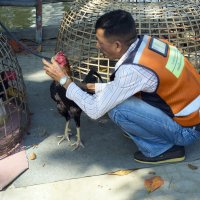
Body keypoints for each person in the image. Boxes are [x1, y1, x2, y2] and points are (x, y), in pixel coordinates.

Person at [43, 9, 200, 164]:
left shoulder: (131, 70)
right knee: (115, 97)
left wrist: (64, 81)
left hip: (186, 132)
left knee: (116, 108)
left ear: (117, 45)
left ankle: (161, 149)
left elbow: (95, 110)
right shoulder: (148, 43)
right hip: (193, 118)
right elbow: (135, 83)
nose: (97, 46)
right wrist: (95, 87)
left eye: (100, 42)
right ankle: (150, 130)